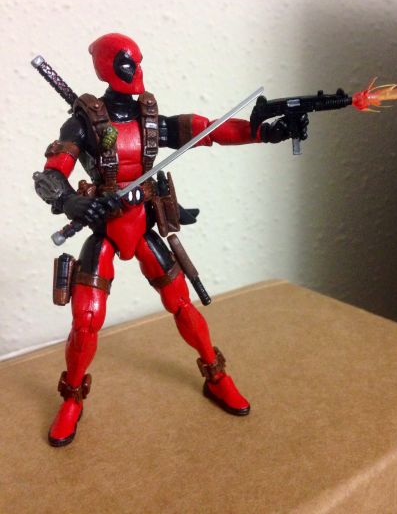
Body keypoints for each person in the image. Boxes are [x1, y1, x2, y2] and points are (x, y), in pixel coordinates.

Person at [35, 33, 288, 446]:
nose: (134, 71)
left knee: (182, 303)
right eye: (126, 63)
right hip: (106, 230)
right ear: (107, 67)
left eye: (137, 61)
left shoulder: (150, 119)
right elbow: (50, 176)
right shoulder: (81, 123)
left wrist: (262, 133)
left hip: (142, 225)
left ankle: (215, 375)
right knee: (86, 319)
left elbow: (208, 131)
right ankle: (72, 398)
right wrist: (72, 203)